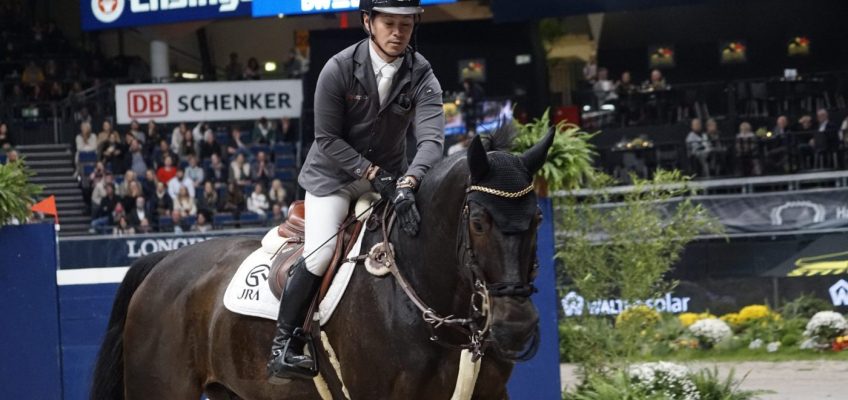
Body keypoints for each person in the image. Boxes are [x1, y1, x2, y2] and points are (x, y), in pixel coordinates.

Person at [266, 0, 445, 382]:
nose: (398, 33)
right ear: (368, 21)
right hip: (332, 177)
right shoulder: (339, 68)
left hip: (391, 175)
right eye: (389, 23)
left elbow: (430, 141)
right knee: (320, 254)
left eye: (406, 25)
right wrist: (371, 172)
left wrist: (409, 181)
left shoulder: (422, 74)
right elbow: (326, 138)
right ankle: (283, 346)